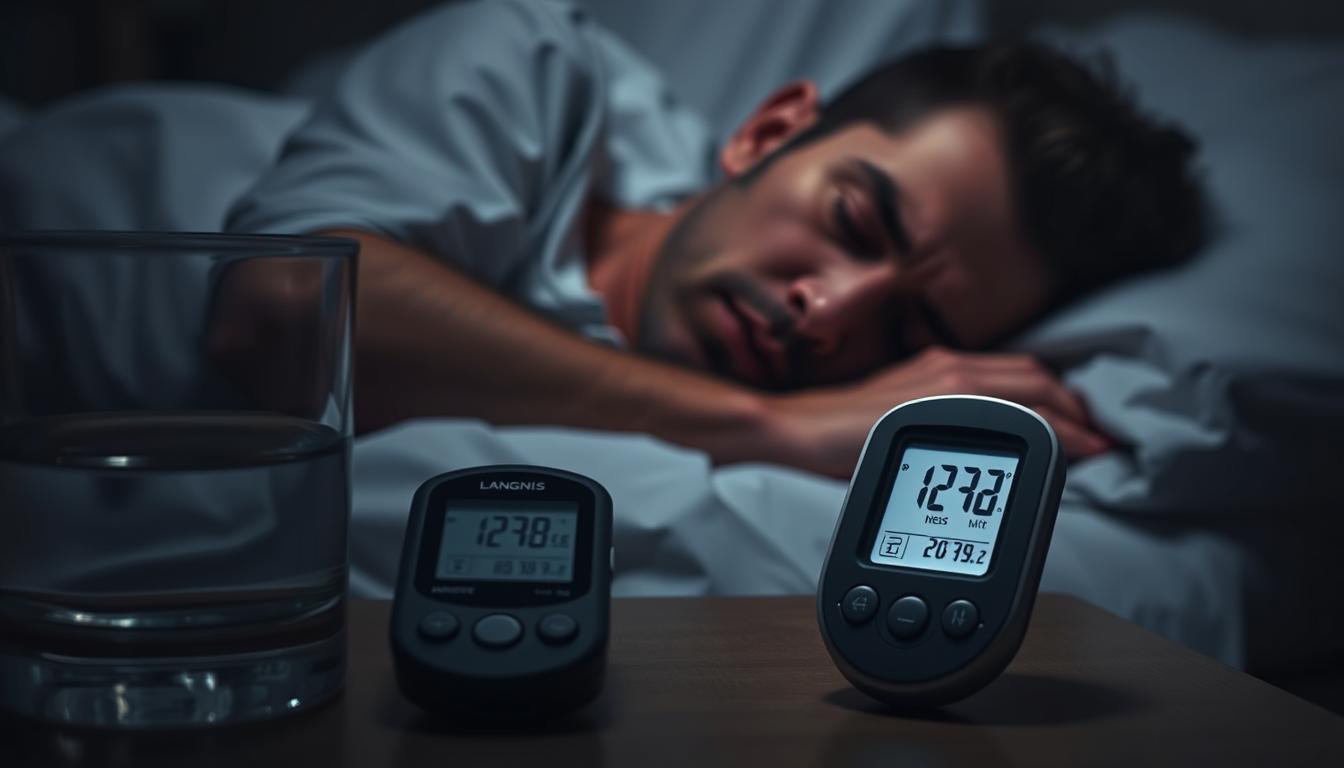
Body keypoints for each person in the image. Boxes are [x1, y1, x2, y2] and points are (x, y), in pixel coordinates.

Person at [223, 0, 1205, 478]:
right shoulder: (530, 59)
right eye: (852, 222)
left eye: (906, 334)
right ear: (768, 133)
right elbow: (281, 314)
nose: (827, 312)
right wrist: (770, 428)